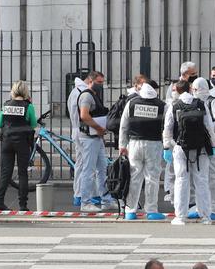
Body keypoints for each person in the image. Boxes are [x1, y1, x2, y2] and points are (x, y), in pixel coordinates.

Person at [164, 80, 215, 225]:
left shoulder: (174, 106)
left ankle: (180, 216)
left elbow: (168, 128)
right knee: (202, 181)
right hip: (200, 148)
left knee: (181, 180)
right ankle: (206, 216)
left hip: (180, 147)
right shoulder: (200, 104)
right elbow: (209, 126)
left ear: (178, 91)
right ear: (190, 89)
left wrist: (166, 147)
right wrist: (213, 145)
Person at [119, 77, 166, 220]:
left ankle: (130, 210)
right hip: (154, 144)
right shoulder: (162, 105)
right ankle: (151, 210)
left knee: (134, 177)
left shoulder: (132, 103)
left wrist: (122, 145)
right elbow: (167, 126)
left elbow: (124, 125)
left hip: (134, 144)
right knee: (152, 178)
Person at [68, 71, 115, 212]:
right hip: (88, 137)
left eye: (102, 82)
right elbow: (84, 115)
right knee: (88, 170)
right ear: (90, 81)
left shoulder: (92, 95)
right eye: (99, 82)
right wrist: (99, 128)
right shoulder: (87, 95)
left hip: (95, 137)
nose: (101, 85)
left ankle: (106, 200)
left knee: (102, 169)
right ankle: (85, 202)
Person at [189, 77, 215, 222]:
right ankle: (202, 207)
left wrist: (205, 127)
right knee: (202, 177)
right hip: (204, 143)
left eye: (195, 89)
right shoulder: (198, 103)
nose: (194, 92)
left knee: (212, 176)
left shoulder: (214, 102)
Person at [0, 80, 38, 212]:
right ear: (25, 91)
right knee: (22, 173)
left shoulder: (6, 105)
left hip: (7, 141)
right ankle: (23, 205)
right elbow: (33, 124)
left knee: (6, 173)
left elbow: (0, 123)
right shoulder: (28, 106)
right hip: (22, 142)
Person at [164, 61, 199, 201]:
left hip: (191, 128)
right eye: (193, 73)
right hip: (176, 127)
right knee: (172, 165)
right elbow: (168, 103)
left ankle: (188, 195)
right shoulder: (174, 86)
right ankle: (169, 190)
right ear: (185, 74)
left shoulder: (194, 85)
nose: (195, 76)